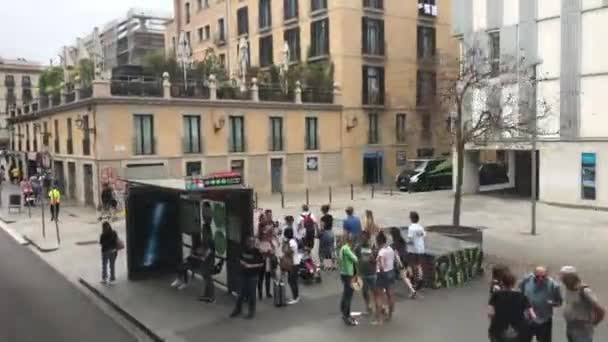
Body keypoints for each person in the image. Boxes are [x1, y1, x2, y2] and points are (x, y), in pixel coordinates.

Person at [560, 266, 605, 342]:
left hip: (582, 329)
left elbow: (600, 310)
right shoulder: (568, 288)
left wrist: (595, 322)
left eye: (563, 277)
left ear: (571, 277)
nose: (562, 280)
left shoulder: (584, 290)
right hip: (570, 326)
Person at [488, 271, 536, 342]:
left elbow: (490, 313)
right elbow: (533, 315)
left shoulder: (496, 295)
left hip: (498, 331)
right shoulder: (522, 296)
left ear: (502, 282)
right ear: (514, 283)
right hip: (520, 332)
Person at [519, 266, 562, 342]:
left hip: (544, 320)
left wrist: (552, 303)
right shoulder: (526, 281)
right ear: (533, 275)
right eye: (537, 276)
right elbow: (521, 295)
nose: (540, 279)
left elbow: (559, 302)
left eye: (543, 276)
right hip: (527, 319)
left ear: (547, 275)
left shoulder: (553, 285)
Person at [230, 237, 264, 319]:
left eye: (252, 242)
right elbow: (239, 258)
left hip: (253, 276)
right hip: (243, 275)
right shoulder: (243, 250)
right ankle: (238, 310)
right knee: (240, 294)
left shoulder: (257, 252)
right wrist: (242, 263)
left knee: (252, 294)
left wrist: (251, 265)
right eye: (249, 242)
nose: (250, 243)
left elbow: (261, 264)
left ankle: (251, 311)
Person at [355, 230, 379, 322]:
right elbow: (356, 258)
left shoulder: (373, 248)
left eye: (364, 237)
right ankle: (368, 307)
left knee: (375, 292)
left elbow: (376, 260)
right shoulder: (358, 247)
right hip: (362, 273)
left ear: (368, 238)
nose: (362, 238)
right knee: (365, 292)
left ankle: (379, 308)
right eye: (361, 236)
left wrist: (372, 257)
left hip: (372, 273)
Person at [390, 228, 417, 299]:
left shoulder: (395, 243)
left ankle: (412, 290)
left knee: (404, 277)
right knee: (406, 274)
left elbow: (395, 253)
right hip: (407, 258)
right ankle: (412, 286)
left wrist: (399, 263)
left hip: (401, 260)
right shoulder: (402, 240)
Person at [376, 231, 396, 321]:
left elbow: (380, 265)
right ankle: (390, 315)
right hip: (391, 272)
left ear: (378, 241)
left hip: (383, 273)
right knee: (390, 294)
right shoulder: (390, 249)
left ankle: (380, 317)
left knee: (379, 295)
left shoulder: (381, 252)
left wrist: (380, 272)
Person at [339, 235, 358, 326]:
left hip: (343, 273)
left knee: (345, 293)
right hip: (348, 274)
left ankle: (344, 311)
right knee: (348, 295)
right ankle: (346, 315)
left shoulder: (342, 248)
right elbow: (355, 259)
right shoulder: (347, 249)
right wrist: (354, 252)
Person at [405, 211, 426, 287]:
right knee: (418, 264)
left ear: (412, 219)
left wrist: (406, 242)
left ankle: (413, 279)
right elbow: (423, 235)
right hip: (421, 248)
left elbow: (410, 240)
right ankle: (420, 278)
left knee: (411, 264)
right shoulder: (420, 227)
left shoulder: (411, 228)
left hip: (413, 249)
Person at [281, 227, 300, 305]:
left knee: (292, 281)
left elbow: (289, 251)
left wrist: (285, 246)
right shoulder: (292, 241)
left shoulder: (291, 242)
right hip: (294, 263)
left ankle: (295, 297)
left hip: (293, 263)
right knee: (292, 280)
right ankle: (296, 296)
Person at [198, 228, 216, 303]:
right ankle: (206, 295)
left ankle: (211, 297)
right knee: (205, 279)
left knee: (208, 279)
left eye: (204, 232)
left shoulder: (210, 241)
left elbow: (209, 251)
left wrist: (203, 256)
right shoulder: (205, 240)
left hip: (209, 262)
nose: (203, 233)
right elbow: (202, 249)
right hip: (205, 262)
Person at [257, 229, 275, 300]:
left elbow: (271, 252)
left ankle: (268, 292)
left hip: (267, 262)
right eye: (263, 235)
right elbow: (258, 252)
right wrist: (264, 253)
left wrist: (268, 252)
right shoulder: (258, 243)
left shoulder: (268, 243)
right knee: (260, 278)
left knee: (267, 277)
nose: (265, 236)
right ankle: (260, 293)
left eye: (265, 234)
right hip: (260, 263)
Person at [318, 204, 335, 270]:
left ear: (322, 210)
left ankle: (327, 265)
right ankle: (333, 264)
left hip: (325, 234)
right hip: (331, 232)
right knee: (331, 249)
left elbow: (322, 228)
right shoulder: (331, 216)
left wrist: (319, 234)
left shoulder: (323, 218)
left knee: (324, 250)